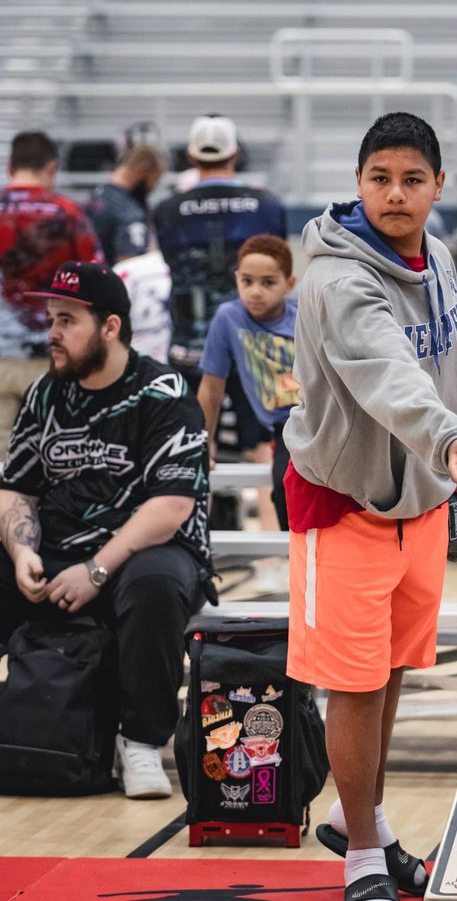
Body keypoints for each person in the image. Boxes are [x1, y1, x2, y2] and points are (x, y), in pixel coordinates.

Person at [283, 111, 457, 901]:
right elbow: (390, 375)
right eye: (380, 178)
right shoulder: (337, 278)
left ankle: (358, 817)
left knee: (392, 668)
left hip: (425, 497)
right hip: (344, 504)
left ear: (439, 187)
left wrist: (444, 460)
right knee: (354, 681)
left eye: (412, 180)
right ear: (358, 182)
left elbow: (439, 368)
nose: (395, 194)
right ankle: (361, 854)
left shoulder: (439, 257)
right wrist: (451, 440)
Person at [0, 260, 214, 799]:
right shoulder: (47, 394)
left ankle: (140, 742)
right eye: (51, 319)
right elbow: (16, 489)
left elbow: (170, 506)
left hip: (145, 547)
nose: (52, 332)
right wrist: (23, 550)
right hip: (57, 550)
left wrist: (95, 570)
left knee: (154, 585)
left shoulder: (163, 391)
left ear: (110, 327)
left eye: (67, 320)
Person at [198, 234, 300, 595]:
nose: (255, 291)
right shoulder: (229, 318)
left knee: (287, 495)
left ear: (289, 284)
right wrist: (204, 440)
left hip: (312, 421)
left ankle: (307, 567)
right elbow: (212, 386)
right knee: (279, 493)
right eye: (247, 282)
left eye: (268, 283)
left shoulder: (304, 317)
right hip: (278, 424)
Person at [153, 115, 287, 382]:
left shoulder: (167, 210)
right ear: (235, 154)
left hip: (190, 346)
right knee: (259, 424)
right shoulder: (267, 206)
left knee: (194, 423)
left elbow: (171, 260)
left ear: (191, 156)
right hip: (256, 346)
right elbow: (279, 268)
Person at [0, 131, 102, 458]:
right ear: (52, 167)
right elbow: (97, 281)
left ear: (10, 165)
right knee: (55, 458)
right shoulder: (69, 214)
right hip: (56, 354)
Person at [85, 143, 167, 265]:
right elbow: (130, 265)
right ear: (143, 170)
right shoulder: (129, 212)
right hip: (113, 279)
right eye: (154, 180)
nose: (152, 188)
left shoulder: (95, 196)